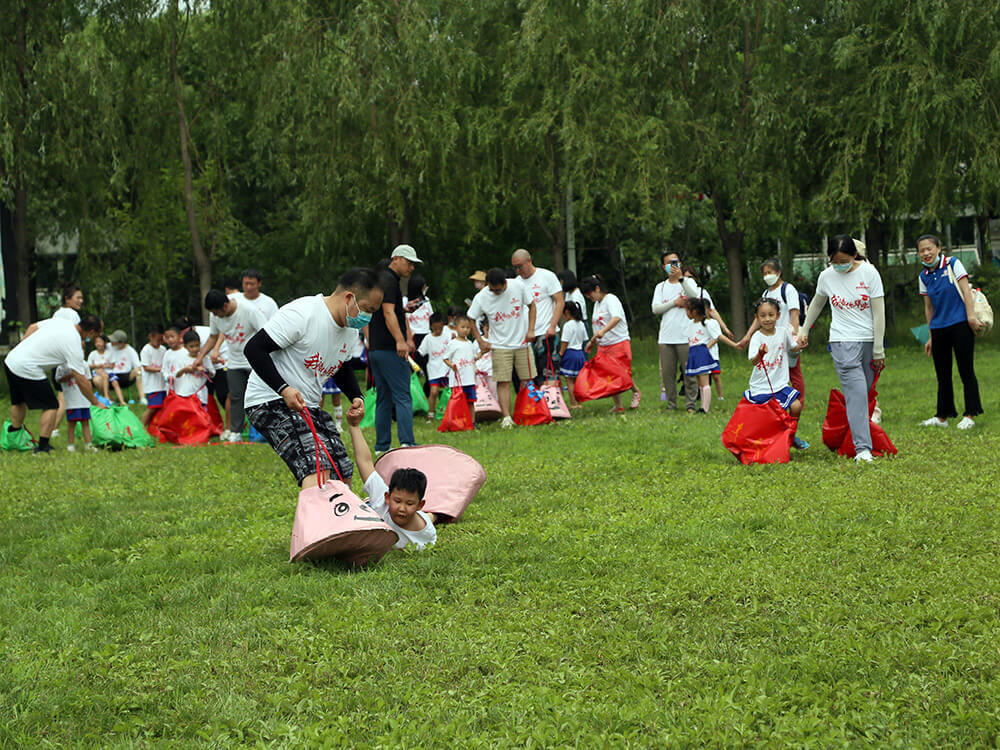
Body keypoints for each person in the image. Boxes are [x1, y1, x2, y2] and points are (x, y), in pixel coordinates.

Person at [243, 268, 383, 488]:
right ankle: (317, 521)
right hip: (270, 401)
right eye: (367, 309)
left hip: (308, 406)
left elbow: (342, 368)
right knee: (317, 469)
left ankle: (337, 520)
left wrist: (356, 396)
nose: (368, 317)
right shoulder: (303, 313)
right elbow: (254, 349)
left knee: (342, 473)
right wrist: (284, 388)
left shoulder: (349, 330)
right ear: (349, 298)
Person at [798, 235, 886, 463]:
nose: (839, 266)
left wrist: (878, 348)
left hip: (868, 340)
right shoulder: (826, 276)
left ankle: (846, 435)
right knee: (856, 395)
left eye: (843, 261)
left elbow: (879, 312)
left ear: (854, 256)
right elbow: (818, 303)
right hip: (841, 340)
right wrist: (804, 329)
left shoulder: (869, 273)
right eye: (834, 262)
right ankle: (863, 449)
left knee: (862, 393)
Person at [3, 314, 105, 454]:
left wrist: (22, 350)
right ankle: (43, 447)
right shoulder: (74, 343)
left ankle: (13, 440)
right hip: (28, 367)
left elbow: (33, 327)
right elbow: (81, 379)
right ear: (91, 332)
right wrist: (95, 402)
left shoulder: (63, 321)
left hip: (12, 359)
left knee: (18, 402)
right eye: (96, 335)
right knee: (51, 405)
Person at [916, 234, 984, 429]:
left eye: (929, 248)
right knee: (942, 374)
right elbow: (928, 308)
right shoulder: (923, 276)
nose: (926, 253)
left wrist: (971, 317)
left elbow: (966, 292)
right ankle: (942, 417)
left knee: (966, 370)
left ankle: (970, 414)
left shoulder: (953, 264)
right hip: (938, 329)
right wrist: (930, 335)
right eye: (922, 250)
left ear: (938, 248)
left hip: (961, 324)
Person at [345, 412, 437, 550]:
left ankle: (435, 514)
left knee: (430, 517)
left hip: (419, 518)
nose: (401, 508)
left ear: (420, 505)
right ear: (387, 497)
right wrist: (354, 426)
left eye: (410, 503)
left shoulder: (425, 537)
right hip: (370, 510)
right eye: (397, 501)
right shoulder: (381, 498)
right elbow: (365, 462)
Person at [368, 245, 422, 452]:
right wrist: (401, 340)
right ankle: (407, 442)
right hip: (391, 348)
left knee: (384, 397)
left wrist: (403, 309)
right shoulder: (390, 281)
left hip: (375, 348)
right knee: (402, 396)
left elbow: (385, 311)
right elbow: (388, 313)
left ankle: (381, 445)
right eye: (409, 263)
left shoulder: (380, 280)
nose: (411, 268)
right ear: (396, 259)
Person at [467, 267, 537, 428]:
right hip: (499, 345)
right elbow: (471, 317)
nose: (496, 293)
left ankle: (529, 410)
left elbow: (532, 305)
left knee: (527, 379)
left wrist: (531, 329)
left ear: (505, 283)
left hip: (522, 342)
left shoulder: (517, 287)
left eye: (499, 290)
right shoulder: (482, 296)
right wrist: (480, 340)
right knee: (503, 381)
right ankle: (506, 417)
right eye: (493, 290)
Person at [198, 289, 268, 442]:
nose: (215, 316)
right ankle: (235, 432)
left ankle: (263, 430)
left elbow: (266, 332)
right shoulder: (214, 315)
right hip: (234, 362)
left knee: (259, 396)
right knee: (236, 397)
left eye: (217, 312)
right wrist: (202, 357)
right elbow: (213, 336)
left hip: (254, 362)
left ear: (224, 306)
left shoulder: (249, 311)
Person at [738, 258, 805, 408]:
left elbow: (795, 313)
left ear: (779, 272)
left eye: (770, 272)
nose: (767, 276)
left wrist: (794, 335)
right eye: (764, 274)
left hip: (785, 337)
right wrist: (748, 336)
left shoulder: (788, 289)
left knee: (794, 371)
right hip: (769, 340)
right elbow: (758, 317)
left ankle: (797, 400)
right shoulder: (766, 293)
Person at [581, 275, 641, 413]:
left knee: (621, 373)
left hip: (618, 342)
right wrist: (592, 342)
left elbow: (616, 318)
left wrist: (603, 331)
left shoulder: (611, 299)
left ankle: (636, 391)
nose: (589, 297)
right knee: (609, 375)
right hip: (603, 346)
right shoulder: (597, 305)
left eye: (589, 294)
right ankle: (618, 405)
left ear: (597, 288)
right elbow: (597, 329)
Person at [679, 267, 734, 401]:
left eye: (690, 277)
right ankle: (692, 392)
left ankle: (704, 397)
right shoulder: (680, 292)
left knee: (705, 370)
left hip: (701, 334)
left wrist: (725, 328)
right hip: (687, 333)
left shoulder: (702, 292)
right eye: (685, 277)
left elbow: (712, 311)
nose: (687, 280)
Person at [744, 298, 803, 421]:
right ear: (757, 317)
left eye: (771, 315)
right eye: (763, 316)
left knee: (796, 406)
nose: (767, 319)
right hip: (761, 386)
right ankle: (772, 438)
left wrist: (800, 345)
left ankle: (790, 435)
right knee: (767, 418)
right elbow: (753, 361)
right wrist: (760, 354)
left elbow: (792, 347)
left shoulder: (783, 332)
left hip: (780, 384)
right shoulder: (756, 337)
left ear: (778, 315)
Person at [652, 251, 696, 410]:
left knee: (689, 373)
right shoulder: (661, 286)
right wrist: (674, 303)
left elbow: (695, 296)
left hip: (686, 336)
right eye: (669, 263)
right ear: (664, 266)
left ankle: (690, 404)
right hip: (666, 337)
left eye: (675, 262)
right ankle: (672, 404)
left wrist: (682, 279)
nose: (673, 266)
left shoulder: (688, 282)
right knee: (668, 374)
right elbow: (655, 308)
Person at [511, 249, 564, 384]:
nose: (518, 270)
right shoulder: (516, 282)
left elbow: (559, 301)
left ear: (529, 261)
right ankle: (536, 403)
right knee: (531, 375)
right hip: (526, 335)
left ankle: (553, 402)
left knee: (549, 372)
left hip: (545, 332)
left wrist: (552, 326)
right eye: (515, 267)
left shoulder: (547, 276)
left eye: (520, 266)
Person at [684, 298, 735, 413]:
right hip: (693, 353)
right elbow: (690, 342)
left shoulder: (707, 323)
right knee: (700, 383)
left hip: (702, 353)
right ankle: (702, 406)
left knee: (704, 382)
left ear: (695, 311)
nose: (686, 313)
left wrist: (735, 345)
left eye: (687, 311)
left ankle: (704, 408)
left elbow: (718, 336)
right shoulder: (690, 324)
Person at [417, 312, 453, 421]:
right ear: (431, 326)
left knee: (448, 392)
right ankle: (431, 414)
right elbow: (421, 352)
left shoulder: (448, 334)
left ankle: (448, 412)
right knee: (433, 392)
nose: (438, 331)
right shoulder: (428, 338)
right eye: (435, 328)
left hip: (446, 368)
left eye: (440, 328)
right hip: (433, 369)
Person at [443, 314, 479, 423]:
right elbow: (445, 358)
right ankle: (456, 421)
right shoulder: (453, 344)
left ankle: (472, 422)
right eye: (462, 327)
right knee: (458, 401)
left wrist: (478, 361)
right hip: (458, 380)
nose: (465, 330)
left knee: (471, 401)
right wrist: (451, 365)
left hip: (469, 379)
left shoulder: (470, 343)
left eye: (468, 328)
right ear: (456, 328)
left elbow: (473, 358)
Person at [56, 364, 96, 451]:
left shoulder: (84, 364)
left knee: (85, 423)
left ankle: (89, 444)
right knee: (71, 423)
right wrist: (71, 374)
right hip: (72, 401)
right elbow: (59, 380)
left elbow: (88, 381)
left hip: (84, 400)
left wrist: (91, 395)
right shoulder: (62, 366)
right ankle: (70, 445)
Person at [173, 330, 215, 409]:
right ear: (185, 346)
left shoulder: (204, 358)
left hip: (201, 393)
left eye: (197, 345)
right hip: (186, 393)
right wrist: (184, 370)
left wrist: (205, 370)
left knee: (202, 416)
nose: (195, 349)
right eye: (191, 346)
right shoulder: (181, 359)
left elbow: (212, 373)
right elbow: (176, 375)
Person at [558, 301, 587, 409]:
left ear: (567, 312)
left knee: (569, 381)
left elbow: (565, 342)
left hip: (570, 353)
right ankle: (579, 402)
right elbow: (584, 339)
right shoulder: (581, 324)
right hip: (580, 353)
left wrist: (560, 354)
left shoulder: (568, 325)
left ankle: (573, 403)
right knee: (577, 381)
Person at [139, 325, 167, 428]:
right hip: (152, 385)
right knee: (152, 407)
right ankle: (142, 427)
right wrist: (161, 369)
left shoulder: (163, 349)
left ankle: (154, 426)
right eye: (158, 340)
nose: (160, 342)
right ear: (151, 336)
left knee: (161, 407)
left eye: (162, 340)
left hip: (162, 384)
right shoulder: (146, 350)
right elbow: (146, 367)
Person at [106, 330, 142, 406]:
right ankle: (110, 399)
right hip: (109, 376)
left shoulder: (130, 351)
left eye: (114, 341)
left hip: (125, 377)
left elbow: (138, 366)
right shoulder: (108, 346)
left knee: (138, 372)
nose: (111, 342)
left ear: (121, 342)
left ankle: (142, 398)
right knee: (97, 379)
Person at [405, 274, 433, 374]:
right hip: (413, 336)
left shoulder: (427, 301)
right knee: (412, 366)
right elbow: (404, 319)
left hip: (426, 335)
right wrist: (408, 337)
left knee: (427, 366)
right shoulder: (405, 301)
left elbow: (431, 316)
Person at [87, 334, 117, 402]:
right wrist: (97, 366)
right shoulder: (93, 354)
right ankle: (109, 398)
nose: (98, 344)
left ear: (105, 343)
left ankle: (106, 398)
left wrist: (105, 366)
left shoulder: (109, 353)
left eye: (100, 342)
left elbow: (113, 365)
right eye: (96, 342)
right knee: (96, 381)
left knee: (105, 376)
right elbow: (88, 365)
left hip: (108, 373)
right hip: (97, 373)